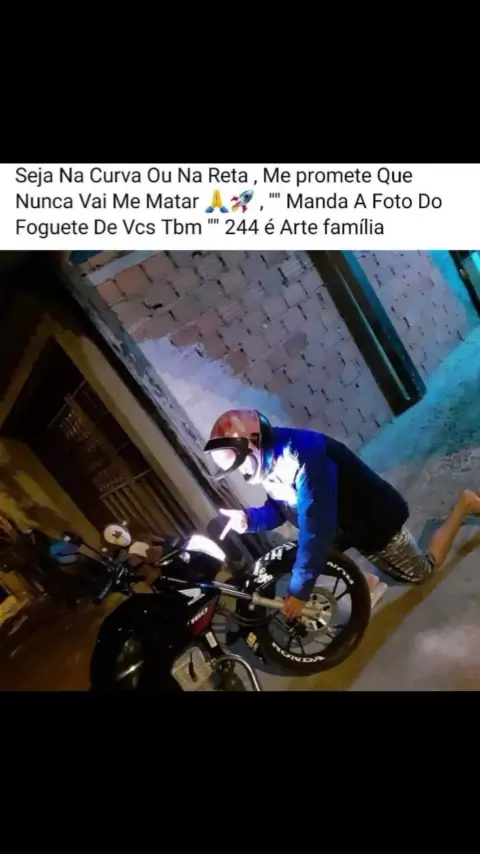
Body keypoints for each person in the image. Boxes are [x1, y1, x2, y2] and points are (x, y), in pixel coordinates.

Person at [203, 408, 480, 620]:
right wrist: (248, 519)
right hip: (345, 524)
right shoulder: (272, 461)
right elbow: (280, 508)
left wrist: (299, 593)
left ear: (255, 443)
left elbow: (317, 529)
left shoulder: (303, 458)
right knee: (307, 555)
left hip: (373, 519)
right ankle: (367, 583)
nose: (244, 470)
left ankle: (465, 504)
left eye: (242, 463)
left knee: (422, 572)